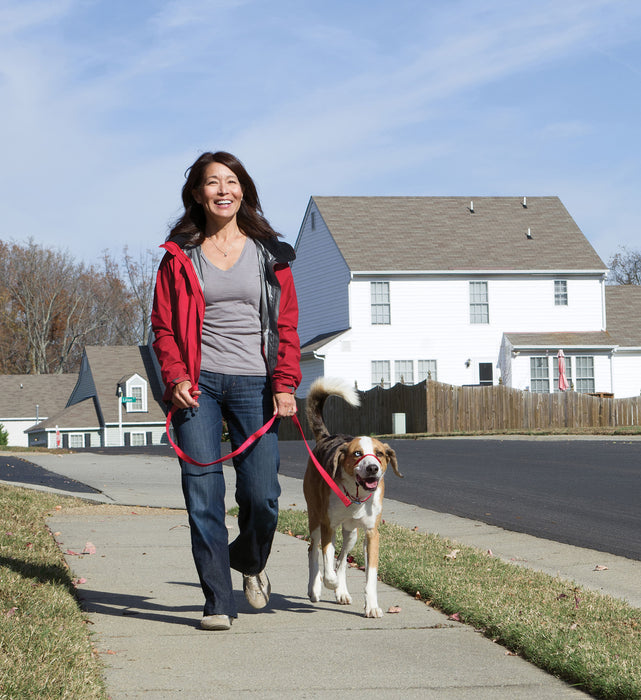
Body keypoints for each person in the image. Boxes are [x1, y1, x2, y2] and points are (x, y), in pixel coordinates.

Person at [151, 151, 301, 631]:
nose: (223, 190)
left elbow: (287, 325)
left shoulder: (269, 253)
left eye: (231, 181)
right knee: (203, 495)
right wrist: (175, 377)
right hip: (197, 385)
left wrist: (284, 384)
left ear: (244, 191)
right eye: (212, 182)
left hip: (255, 383)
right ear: (197, 193)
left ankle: (250, 561)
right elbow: (163, 327)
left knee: (262, 496)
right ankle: (218, 601)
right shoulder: (178, 257)